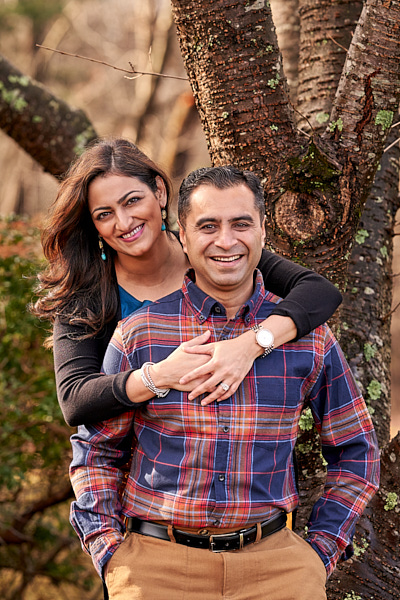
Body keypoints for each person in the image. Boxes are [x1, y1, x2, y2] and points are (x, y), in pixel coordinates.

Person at [69, 166, 379, 600]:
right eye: (208, 226)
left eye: (241, 224)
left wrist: (320, 553)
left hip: (278, 569)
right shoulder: (141, 333)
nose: (226, 241)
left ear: (263, 230)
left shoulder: (308, 340)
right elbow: (96, 450)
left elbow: (356, 450)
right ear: (183, 233)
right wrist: (109, 552)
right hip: (156, 568)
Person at [33, 138, 342, 427]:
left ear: (159, 192)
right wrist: (161, 375)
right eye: (104, 214)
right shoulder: (87, 293)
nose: (124, 222)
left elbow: (319, 292)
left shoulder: (213, 254)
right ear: (94, 225)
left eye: (132, 201)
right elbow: (75, 400)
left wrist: (248, 346)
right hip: (144, 461)